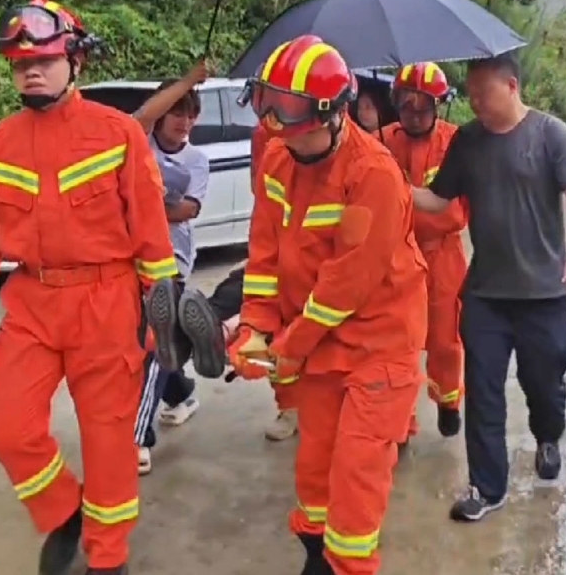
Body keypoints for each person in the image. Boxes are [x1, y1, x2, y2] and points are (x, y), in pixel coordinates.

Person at [0, 0, 178, 575]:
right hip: (32, 303)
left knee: (108, 443)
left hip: (108, 303)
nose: (31, 69)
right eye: (21, 62)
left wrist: (163, 305)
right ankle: (62, 510)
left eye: (45, 58)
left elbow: (151, 230)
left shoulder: (118, 134)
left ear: (77, 61)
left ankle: (108, 556)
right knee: (9, 425)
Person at [227, 34, 428, 574]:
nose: (278, 124)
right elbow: (264, 258)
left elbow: (347, 285)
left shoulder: (374, 176)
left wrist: (286, 347)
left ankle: (346, 565)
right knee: (315, 470)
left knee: (357, 478)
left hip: (378, 346)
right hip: (317, 345)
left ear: (336, 113)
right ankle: (316, 557)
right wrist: (252, 328)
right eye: (270, 105)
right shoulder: (276, 158)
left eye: (290, 113)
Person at [411, 52, 566, 524]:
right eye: (469, 93)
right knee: (484, 391)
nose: (473, 102)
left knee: (544, 386)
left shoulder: (551, 134)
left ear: (511, 86)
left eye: (482, 93)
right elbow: (438, 198)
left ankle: (548, 436)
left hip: (542, 294)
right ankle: (487, 487)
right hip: (486, 295)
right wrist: (393, 182)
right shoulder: (468, 142)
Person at [176, 115, 303, 441]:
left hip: (325, 269)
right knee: (240, 289)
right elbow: (262, 194)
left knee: (289, 333)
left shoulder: (365, 159)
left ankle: (234, 331)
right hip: (284, 252)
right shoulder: (270, 140)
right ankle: (213, 331)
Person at [127, 72, 219, 475]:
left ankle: (137, 436)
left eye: (190, 115)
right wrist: (189, 82)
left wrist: (137, 204)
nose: (183, 122)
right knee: (150, 343)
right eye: (176, 113)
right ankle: (181, 392)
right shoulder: (139, 143)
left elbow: (188, 210)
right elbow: (141, 117)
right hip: (128, 256)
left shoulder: (197, 161)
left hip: (171, 261)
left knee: (151, 344)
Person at [379, 61, 467, 440]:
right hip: (394, 256)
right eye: (407, 106)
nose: (414, 116)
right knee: (397, 343)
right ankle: (401, 423)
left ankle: (448, 401)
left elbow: (475, 200)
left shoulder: (458, 142)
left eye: (423, 107)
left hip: (443, 254)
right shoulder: (380, 141)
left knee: (445, 339)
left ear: (438, 106)